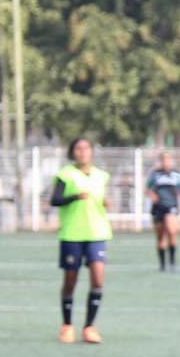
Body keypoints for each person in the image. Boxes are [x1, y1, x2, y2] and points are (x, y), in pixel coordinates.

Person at [49, 137, 111, 344]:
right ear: (72, 152)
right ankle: (67, 325)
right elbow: (55, 200)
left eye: (86, 148)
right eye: (78, 148)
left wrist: (105, 203)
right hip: (72, 234)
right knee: (70, 281)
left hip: (97, 233)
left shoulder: (102, 176)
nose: (83, 152)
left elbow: (101, 200)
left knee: (98, 279)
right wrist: (74, 197)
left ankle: (90, 327)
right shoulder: (66, 175)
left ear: (92, 152)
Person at [147, 151, 180, 271]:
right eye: (163, 160)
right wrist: (153, 196)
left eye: (168, 159)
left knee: (172, 232)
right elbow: (148, 189)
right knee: (160, 238)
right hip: (158, 208)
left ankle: (172, 262)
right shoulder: (155, 174)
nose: (166, 162)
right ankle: (162, 265)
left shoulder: (177, 175)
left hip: (172, 207)